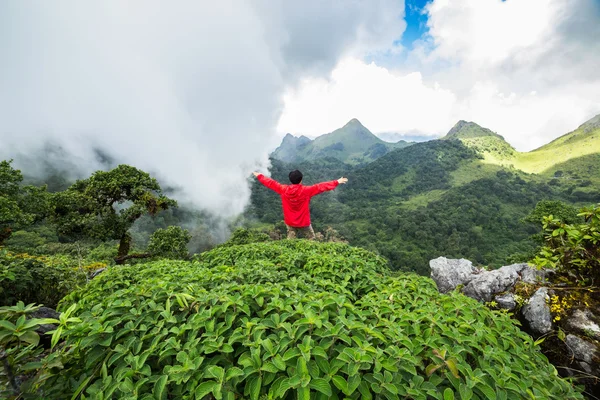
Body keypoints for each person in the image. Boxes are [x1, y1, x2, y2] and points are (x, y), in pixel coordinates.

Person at [253, 170, 348, 239]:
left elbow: (270, 183)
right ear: (301, 179)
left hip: (290, 222)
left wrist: (259, 175)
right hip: (304, 222)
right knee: (311, 240)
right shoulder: (306, 191)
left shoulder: (283, 189)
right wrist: (337, 182)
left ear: (290, 180)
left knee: (290, 241)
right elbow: (321, 187)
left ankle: (288, 258)